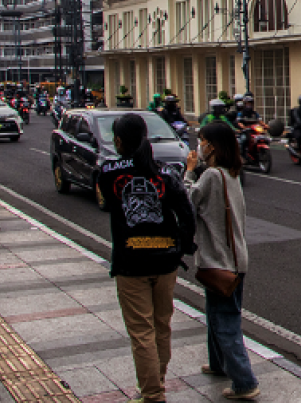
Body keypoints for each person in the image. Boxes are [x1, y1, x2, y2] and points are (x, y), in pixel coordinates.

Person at [98, 113, 196, 403]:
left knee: (141, 330)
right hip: (166, 259)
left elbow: (106, 202)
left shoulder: (108, 171)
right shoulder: (166, 172)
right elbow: (186, 213)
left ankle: (153, 393)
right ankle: (157, 381)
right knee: (162, 325)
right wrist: (182, 245)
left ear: (119, 140)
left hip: (131, 262)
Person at [184, 122, 260, 400]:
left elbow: (188, 201)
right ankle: (218, 364)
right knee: (218, 314)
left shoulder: (212, 176)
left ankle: (244, 381)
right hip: (236, 259)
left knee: (224, 321)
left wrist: (189, 172)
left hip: (219, 261)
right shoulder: (231, 173)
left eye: (202, 141)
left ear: (212, 146)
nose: (199, 146)